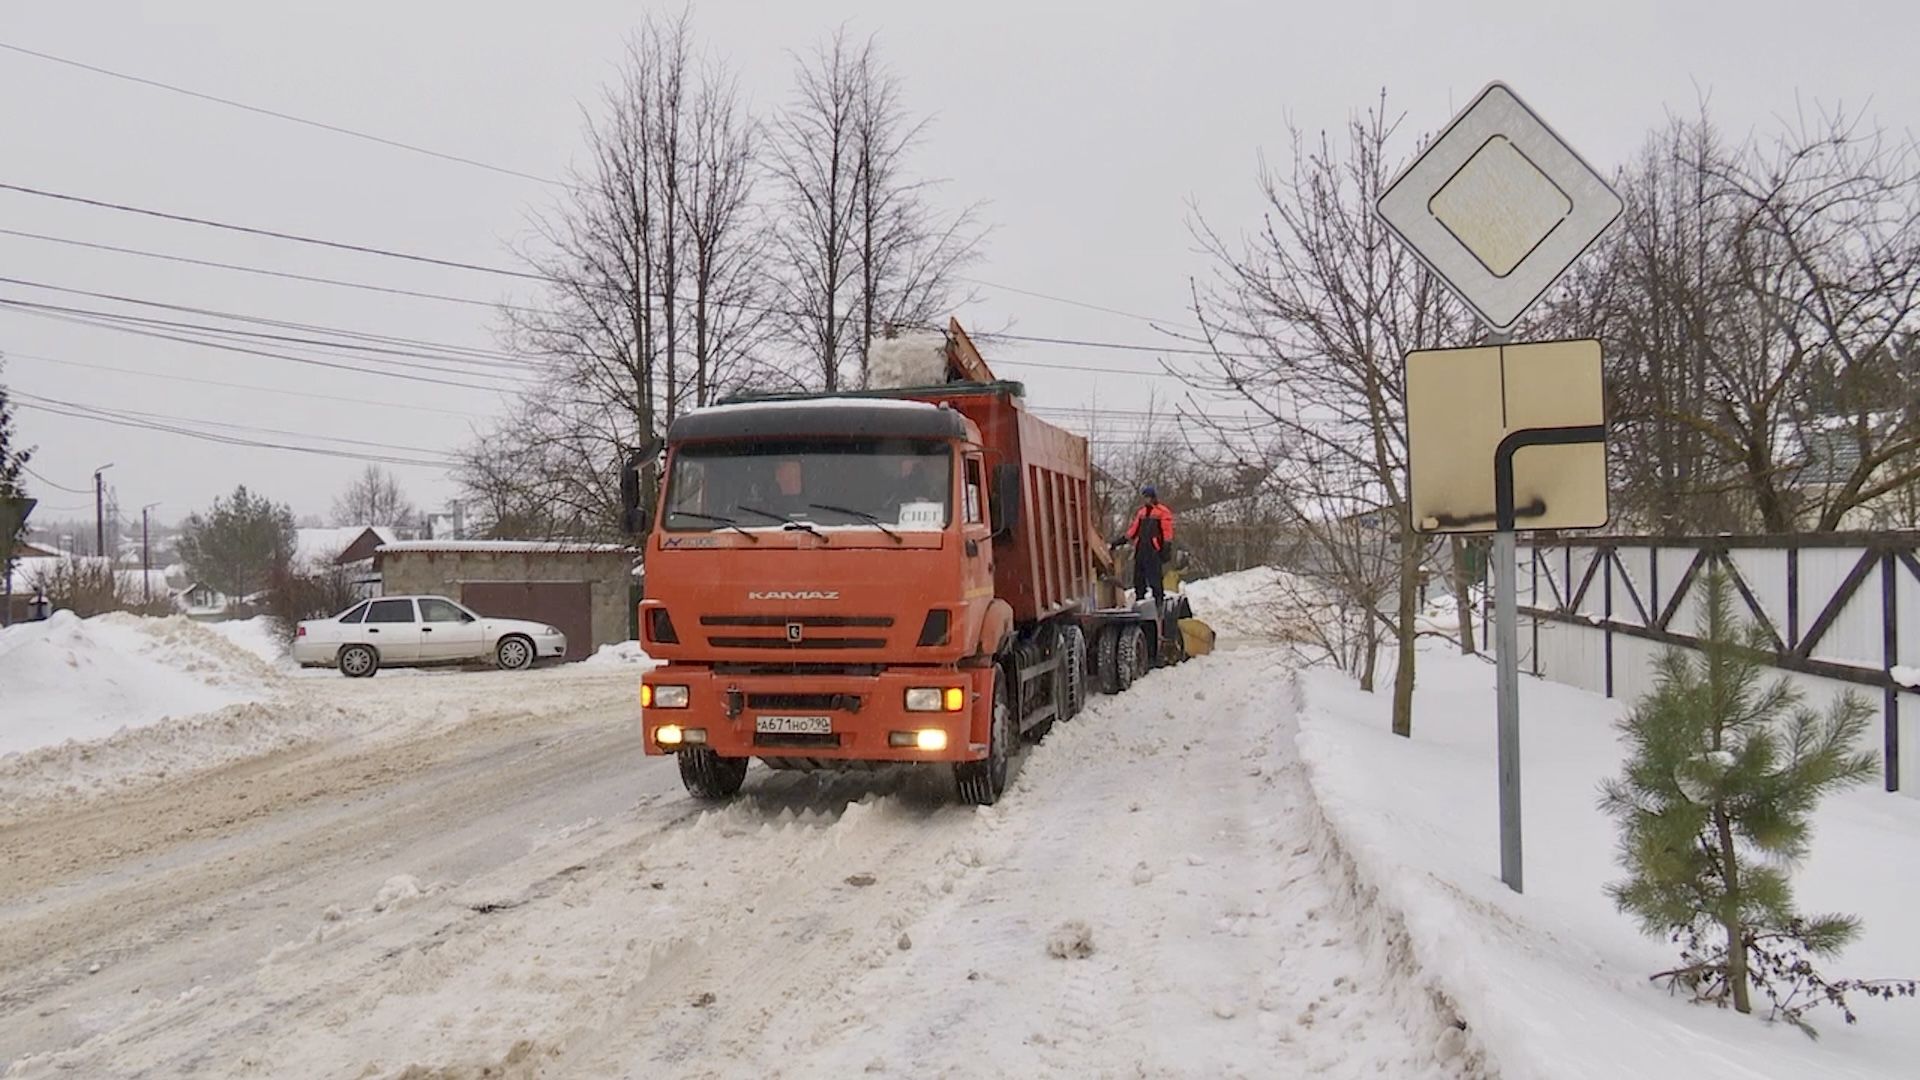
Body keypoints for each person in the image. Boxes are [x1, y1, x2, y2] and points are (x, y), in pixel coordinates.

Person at [1116, 485, 1175, 617]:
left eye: (1148, 497)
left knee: (1155, 578)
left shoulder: (1162, 512)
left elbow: (1167, 531)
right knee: (1139, 578)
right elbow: (1133, 530)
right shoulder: (1142, 513)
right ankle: (1140, 599)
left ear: (1153, 497)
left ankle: (1159, 602)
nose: (1146, 500)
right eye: (1144, 497)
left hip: (1154, 549)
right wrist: (1119, 541)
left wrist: (1166, 548)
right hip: (1141, 548)